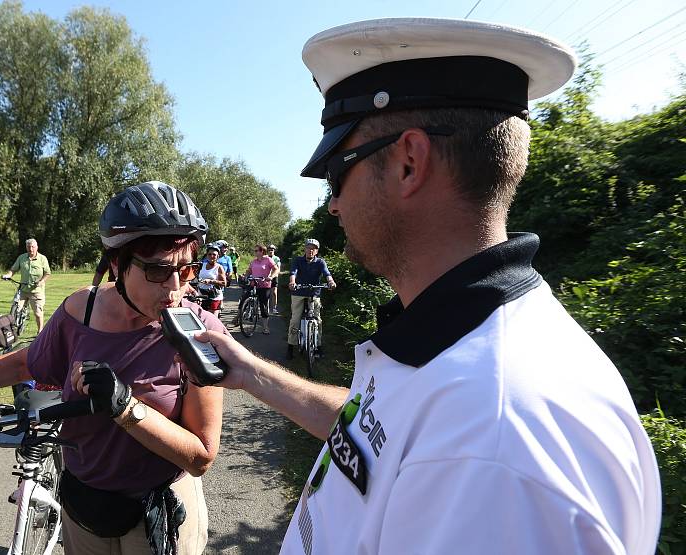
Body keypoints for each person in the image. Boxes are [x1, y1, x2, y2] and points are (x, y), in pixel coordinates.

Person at [190, 18, 661, 554]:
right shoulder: (458, 357)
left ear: (409, 162)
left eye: (336, 172)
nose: (333, 203)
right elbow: (381, 440)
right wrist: (249, 371)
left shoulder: (495, 442)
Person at [0, 181, 223, 554]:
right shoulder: (81, 310)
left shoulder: (200, 332)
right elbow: (27, 362)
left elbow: (201, 454)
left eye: (185, 271)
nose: (175, 288)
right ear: (116, 264)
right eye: (157, 271)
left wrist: (125, 407)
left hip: (159, 510)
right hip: (84, 507)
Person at [287, 239, 335, 359]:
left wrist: (331, 281)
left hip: (314, 294)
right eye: (308, 247)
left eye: (313, 248)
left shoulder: (320, 262)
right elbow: (293, 272)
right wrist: (292, 282)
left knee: (317, 320)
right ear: (305, 249)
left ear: (317, 251)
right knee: (295, 320)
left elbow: (326, 273)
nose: (310, 250)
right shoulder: (298, 260)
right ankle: (290, 347)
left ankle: (318, 346)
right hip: (298, 292)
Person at [2, 238, 51, 333]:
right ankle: (12, 329)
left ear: (36, 247)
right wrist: (8, 275)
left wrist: (41, 281)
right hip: (23, 290)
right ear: (26, 248)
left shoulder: (42, 258)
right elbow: (13, 270)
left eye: (33, 247)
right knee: (15, 307)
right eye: (29, 247)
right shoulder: (22, 258)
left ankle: (40, 331)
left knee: (37, 313)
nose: (31, 249)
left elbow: (47, 273)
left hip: (36, 291)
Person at [242, 244, 277, 334]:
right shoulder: (254, 261)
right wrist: (246, 276)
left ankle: (265, 327)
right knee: (244, 299)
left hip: (264, 285)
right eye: (255, 251)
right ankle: (240, 316)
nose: (255, 252)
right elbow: (249, 270)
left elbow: (275, 269)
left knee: (263, 306)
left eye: (257, 250)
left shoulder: (268, 260)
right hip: (254, 283)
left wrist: (271, 277)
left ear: (262, 251)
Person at [197, 243, 226, 316]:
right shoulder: (201, 266)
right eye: (209, 254)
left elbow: (224, 283)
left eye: (214, 254)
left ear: (217, 256)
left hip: (214, 296)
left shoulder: (219, 267)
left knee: (212, 319)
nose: (211, 256)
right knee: (201, 317)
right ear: (206, 255)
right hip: (202, 295)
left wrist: (211, 281)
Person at [267, 244, 281, 314]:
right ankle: (267, 308)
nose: (270, 251)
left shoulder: (276, 258)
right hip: (266, 277)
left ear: (274, 250)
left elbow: (278, 268)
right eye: (269, 250)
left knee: (274, 292)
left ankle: (274, 308)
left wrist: (275, 274)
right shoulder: (265, 258)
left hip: (274, 277)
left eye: (272, 250)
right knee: (267, 293)